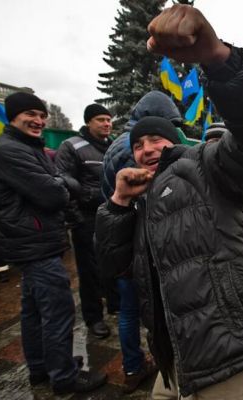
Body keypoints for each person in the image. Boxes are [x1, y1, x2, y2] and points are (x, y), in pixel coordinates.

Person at [96, 5, 243, 399]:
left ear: (176, 140)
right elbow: (114, 269)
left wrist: (218, 59)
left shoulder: (203, 165)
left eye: (156, 140)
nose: (146, 150)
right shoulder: (138, 196)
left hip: (223, 348)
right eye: (138, 144)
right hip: (173, 352)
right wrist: (117, 203)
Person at [0, 92, 107, 394]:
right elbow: (54, 193)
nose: (38, 121)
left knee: (34, 310)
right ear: (12, 117)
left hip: (31, 242)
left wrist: (60, 183)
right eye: (30, 115)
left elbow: (56, 181)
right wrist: (63, 186)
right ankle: (63, 377)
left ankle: (40, 367)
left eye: (41, 115)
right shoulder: (10, 151)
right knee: (57, 310)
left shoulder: (24, 147)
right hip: (34, 243)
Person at [99, 90, 180, 394]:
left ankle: (133, 366)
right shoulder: (133, 152)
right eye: (140, 145)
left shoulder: (114, 146)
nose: (147, 151)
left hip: (123, 237)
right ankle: (159, 360)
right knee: (147, 308)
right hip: (138, 243)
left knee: (129, 311)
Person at [56, 103, 114, 339]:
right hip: (86, 218)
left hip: (112, 214)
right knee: (89, 270)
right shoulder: (71, 146)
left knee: (113, 263)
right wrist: (76, 220)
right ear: (88, 122)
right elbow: (63, 184)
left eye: (109, 119)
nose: (107, 124)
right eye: (101, 119)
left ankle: (115, 304)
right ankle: (94, 317)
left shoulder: (114, 145)